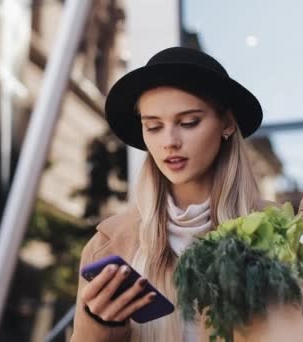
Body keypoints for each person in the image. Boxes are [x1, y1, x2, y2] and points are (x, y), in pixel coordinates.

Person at [70, 46, 272, 342]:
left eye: (189, 122)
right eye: (153, 127)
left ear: (227, 123)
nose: (169, 142)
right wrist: (99, 322)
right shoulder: (108, 245)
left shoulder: (278, 232)